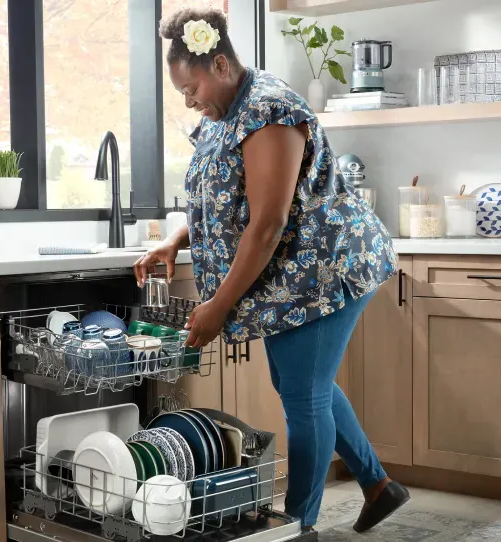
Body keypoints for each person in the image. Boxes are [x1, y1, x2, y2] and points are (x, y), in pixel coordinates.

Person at [133, 6, 408, 533]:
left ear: (219, 64)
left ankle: (298, 525)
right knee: (306, 388)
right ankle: (378, 486)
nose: (189, 102)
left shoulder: (270, 109)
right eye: (181, 94)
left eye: (191, 89)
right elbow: (221, 204)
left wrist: (220, 304)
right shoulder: (221, 117)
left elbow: (267, 222)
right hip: (289, 279)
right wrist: (173, 241)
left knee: (304, 395)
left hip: (328, 268)